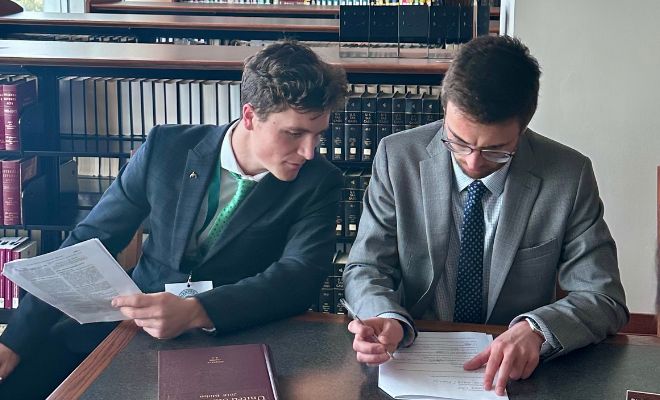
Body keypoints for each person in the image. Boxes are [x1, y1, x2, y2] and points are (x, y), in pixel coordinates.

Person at [0, 40, 347, 399]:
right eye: (294, 134)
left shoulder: (320, 181)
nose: (309, 151)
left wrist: (197, 311)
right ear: (249, 116)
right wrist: (14, 340)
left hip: (236, 336)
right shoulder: (166, 147)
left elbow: (299, 276)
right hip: (131, 326)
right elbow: (91, 240)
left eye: (317, 134)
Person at [343, 35, 628, 396]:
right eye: (458, 142)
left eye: (496, 150)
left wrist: (538, 329)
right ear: (444, 107)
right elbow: (366, 267)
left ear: (522, 129)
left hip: (514, 373)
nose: (473, 162)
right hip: (412, 358)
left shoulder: (569, 176)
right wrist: (385, 316)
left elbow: (603, 298)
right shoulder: (397, 157)